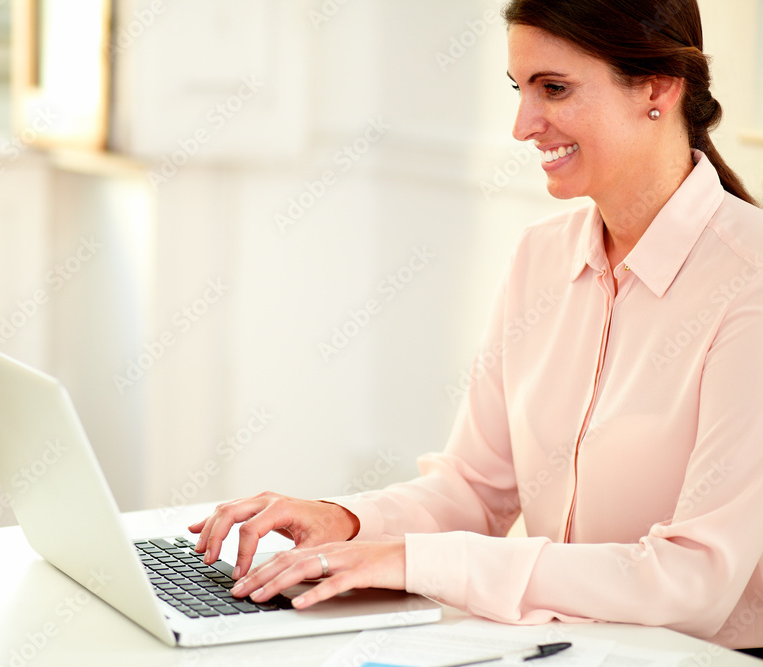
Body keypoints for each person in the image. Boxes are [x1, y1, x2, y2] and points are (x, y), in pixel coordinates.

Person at [189, 0, 763, 654]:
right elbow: (475, 490)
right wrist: (346, 520)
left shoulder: (748, 281)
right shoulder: (540, 256)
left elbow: (692, 582)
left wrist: (412, 560)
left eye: (554, 88)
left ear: (657, 88)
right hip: (570, 646)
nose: (523, 126)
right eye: (520, 89)